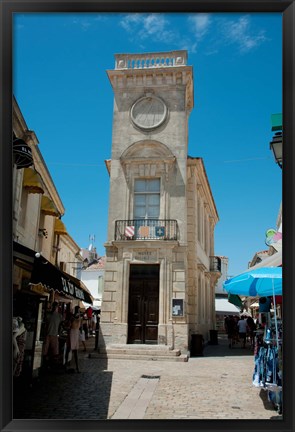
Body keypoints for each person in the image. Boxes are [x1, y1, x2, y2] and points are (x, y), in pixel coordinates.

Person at [43, 302, 63, 366]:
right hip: (48, 335)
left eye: (56, 306)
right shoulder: (48, 315)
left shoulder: (59, 316)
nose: (55, 307)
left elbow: (61, 326)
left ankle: (51, 365)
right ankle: (46, 364)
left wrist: (59, 333)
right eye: (54, 306)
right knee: (45, 352)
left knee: (54, 352)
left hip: (54, 335)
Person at [65, 305, 82, 373]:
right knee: (72, 351)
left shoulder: (76, 318)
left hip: (74, 333)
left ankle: (74, 367)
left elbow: (68, 325)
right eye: (78, 310)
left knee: (72, 351)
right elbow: (69, 325)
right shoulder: (75, 318)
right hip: (73, 333)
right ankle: (73, 367)